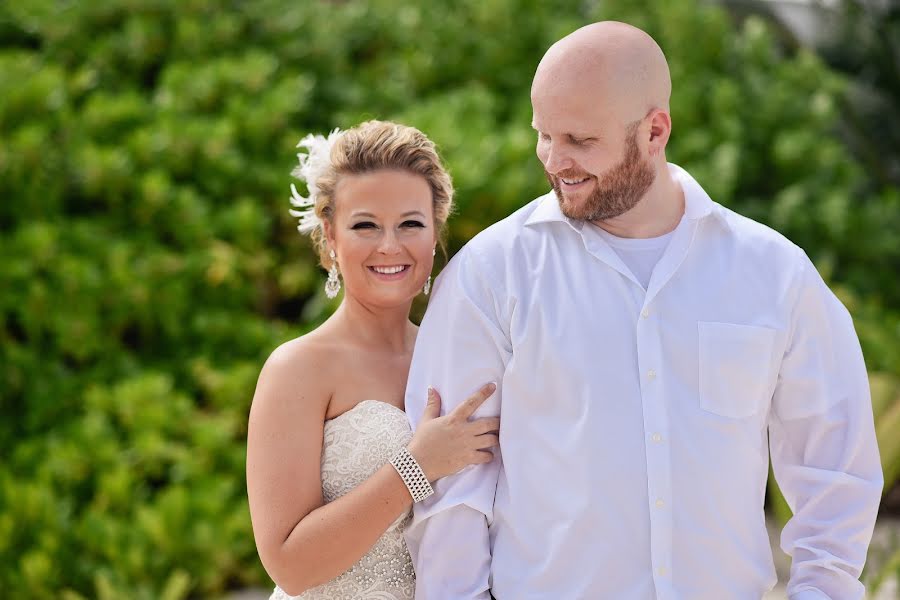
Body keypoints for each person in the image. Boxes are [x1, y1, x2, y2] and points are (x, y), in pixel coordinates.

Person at [404, 21, 883, 600]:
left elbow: (836, 464)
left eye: (581, 140)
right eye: (544, 135)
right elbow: (453, 491)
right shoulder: (491, 275)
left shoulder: (774, 274)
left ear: (655, 131)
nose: (555, 161)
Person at [246, 120, 500, 599]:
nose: (390, 246)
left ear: (434, 234)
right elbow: (289, 566)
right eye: (365, 225)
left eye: (410, 224)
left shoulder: (457, 357)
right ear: (331, 236)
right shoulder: (297, 369)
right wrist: (416, 466)